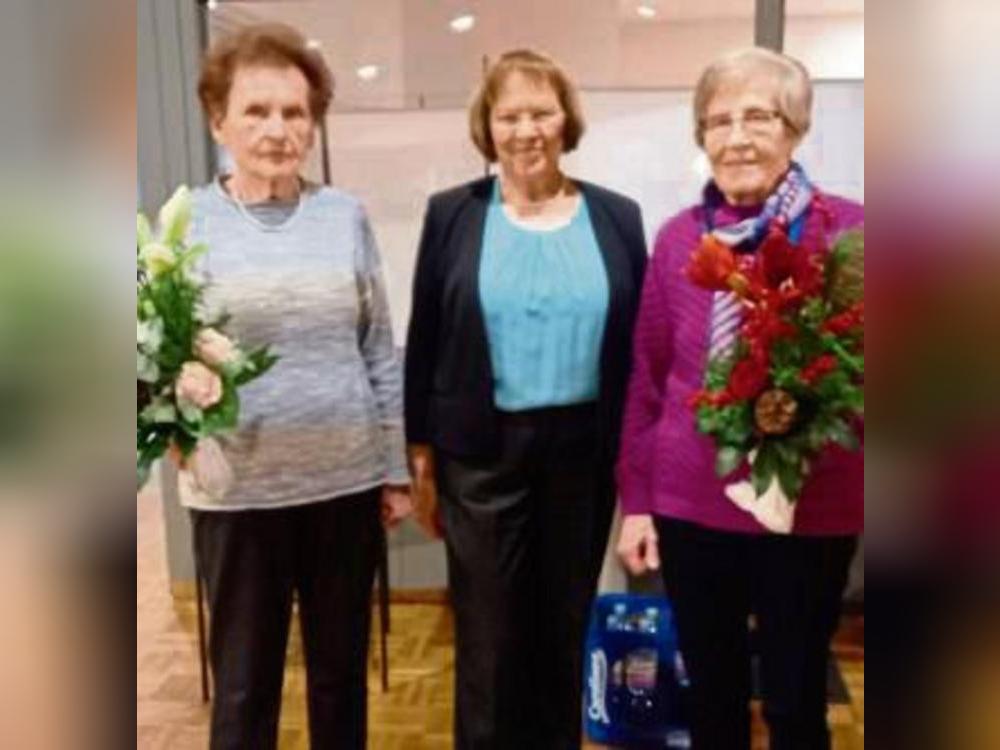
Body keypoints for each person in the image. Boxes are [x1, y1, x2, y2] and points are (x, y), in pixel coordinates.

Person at [615, 47, 863, 750]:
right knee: (712, 702)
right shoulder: (676, 241)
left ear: (795, 128)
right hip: (692, 505)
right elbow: (648, 380)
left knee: (793, 702)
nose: (737, 136)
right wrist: (637, 501)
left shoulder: (849, 232)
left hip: (811, 513)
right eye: (718, 121)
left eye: (758, 115)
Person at [404, 49, 647, 750]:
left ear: (567, 119)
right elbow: (427, 334)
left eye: (541, 111)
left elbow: (639, 343)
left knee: (564, 624)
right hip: (480, 454)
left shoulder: (617, 217)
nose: (526, 129)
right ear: (487, 127)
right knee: (489, 637)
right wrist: (419, 453)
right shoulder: (452, 214)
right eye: (508, 115)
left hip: (583, 453)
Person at [184, 23, 411, 749]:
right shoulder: (187, 221)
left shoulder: (343, 216)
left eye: (295, 112)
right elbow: (141, 353)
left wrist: (394, 467)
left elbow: (376, 345)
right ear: (218, 118)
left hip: (343, 488)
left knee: (340, 677)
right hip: (238, 492)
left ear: (313, 124)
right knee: (245, 684)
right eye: (257, 110)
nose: (278, 129)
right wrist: (172, 435)